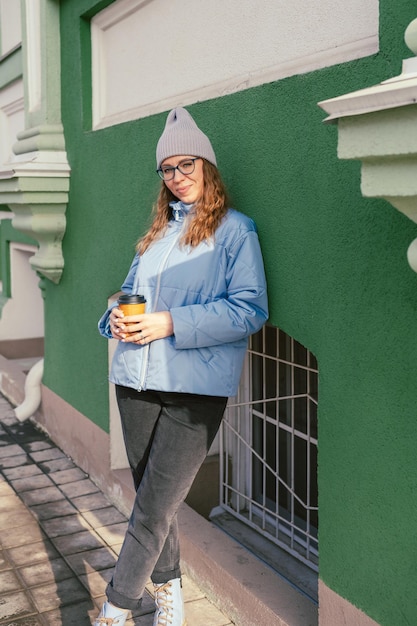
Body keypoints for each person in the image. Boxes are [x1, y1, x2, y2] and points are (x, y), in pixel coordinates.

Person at [95, 107, 268, 626]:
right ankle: (170, 594)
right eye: (167, 169)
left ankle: (113, 611)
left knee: (150, 510)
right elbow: (124, 296)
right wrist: (114, 321)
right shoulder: (155, 236)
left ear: (207, 166)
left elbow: (250, 310)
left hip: (194, 392)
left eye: (185, 164)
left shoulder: (236, 232)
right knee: (155, 504)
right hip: (135, 383)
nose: (176, 177)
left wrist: (169, 323)